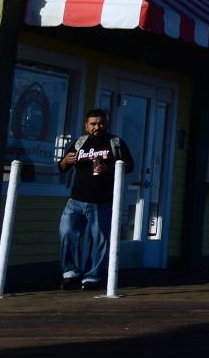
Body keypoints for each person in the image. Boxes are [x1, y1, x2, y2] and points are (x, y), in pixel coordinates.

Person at [55, 108, 134, 291]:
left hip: (101, 201)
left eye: (100, 123)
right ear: (86, 125)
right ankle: (70, 273)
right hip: (75, 201)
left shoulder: (115, 143)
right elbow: (62, 167)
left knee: (99, 239)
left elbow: (129, 166)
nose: (97, 127)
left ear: (106, 124)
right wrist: (66, 160)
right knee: (67, 233)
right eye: (93, 124)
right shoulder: (80, 142)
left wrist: (109, 168)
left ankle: (93, 277)